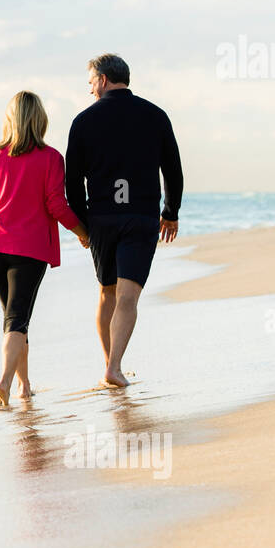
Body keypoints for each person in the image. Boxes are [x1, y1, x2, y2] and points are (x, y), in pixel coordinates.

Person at [65, 54, 183, 387]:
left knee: (107, 293)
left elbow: (72, 180)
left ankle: (110, 365)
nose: (90, 90)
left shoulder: (84, 121)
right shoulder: (155, 116)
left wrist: (82, 223)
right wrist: (170, 213)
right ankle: (114, 366)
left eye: (90, 83)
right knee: (129, 296)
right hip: (140, 216)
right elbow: (172, 170)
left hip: (102, 218)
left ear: (102, 80)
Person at [0, 91, 89, 405]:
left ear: (11, 119)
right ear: (40, 119)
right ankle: (5, 382)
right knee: (17, 318)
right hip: (29, 249)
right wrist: (83, 232)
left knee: (14, 317)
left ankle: (24, 385)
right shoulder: (50, 158)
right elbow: (56, 205)